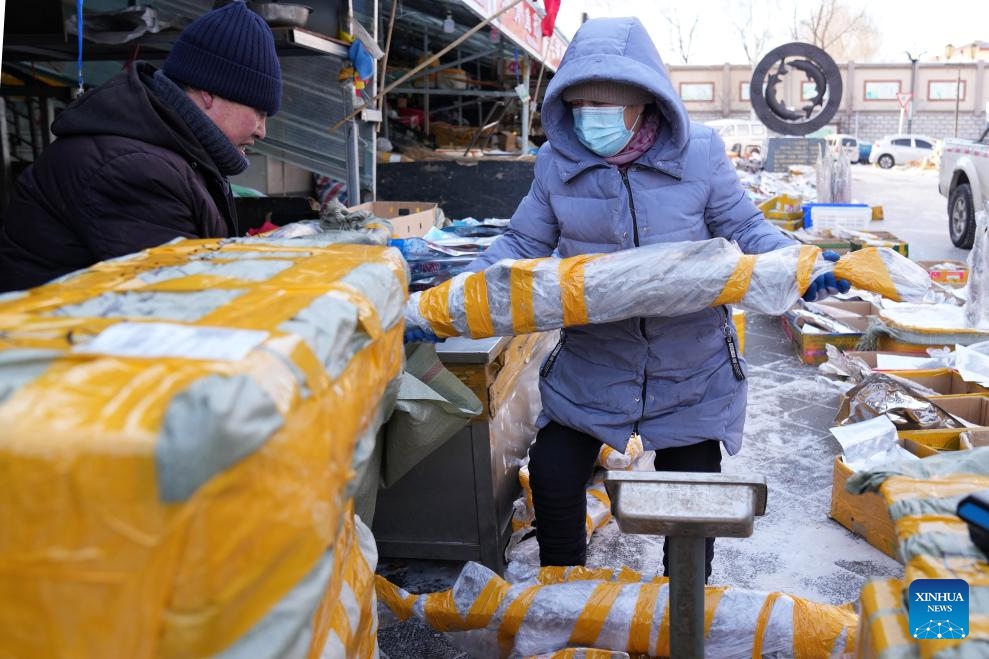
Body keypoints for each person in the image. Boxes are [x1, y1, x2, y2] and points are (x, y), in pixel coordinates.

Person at [464, 17, 847, 578]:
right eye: (579, 102)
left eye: (603, 103)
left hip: (689, 364)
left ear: (642, 103)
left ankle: (683, 601)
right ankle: (563, 590)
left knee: (690, 498)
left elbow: (746, 229)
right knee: (551, 473)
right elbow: (521, 241)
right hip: (594, 359)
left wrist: (802, 266)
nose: (588, 115)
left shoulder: (701, 155)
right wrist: (454, 296)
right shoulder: (557, 164)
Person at [0, 0, 282, 292]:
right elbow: (176, 298)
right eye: (260, 113)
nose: (262, 130)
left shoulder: (176, 154)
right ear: (209, 92)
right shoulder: (135, 170)